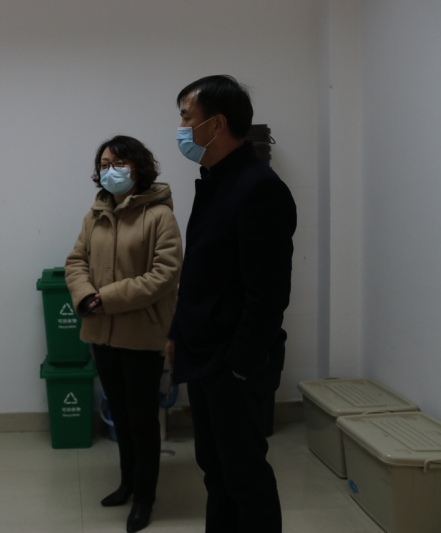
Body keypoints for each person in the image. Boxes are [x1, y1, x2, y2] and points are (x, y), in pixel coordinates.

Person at [165, 75, 297, 533]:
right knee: (216, 472)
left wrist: (240, 366)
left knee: (245, 478)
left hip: (233, 364)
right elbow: (201, 274)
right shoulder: (216, 180)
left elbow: (269, 293)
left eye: (186, 118)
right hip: (205, 355)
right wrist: (177, 334)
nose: (181, 128)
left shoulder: (259, 188)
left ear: (217, 124)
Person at [65, 135, 182, 533]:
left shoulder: (159, 215)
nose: (109, 170)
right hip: (101, 332)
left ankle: (145, 497)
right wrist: (86, 296)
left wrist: (107, 298)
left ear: (138, 167)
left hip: (142, 334)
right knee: (120, 413)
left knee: (142, 418)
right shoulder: (95, 214)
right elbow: (75, 262)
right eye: (104, 164)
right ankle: (127, 483)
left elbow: (164, 274)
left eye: (118, 163)